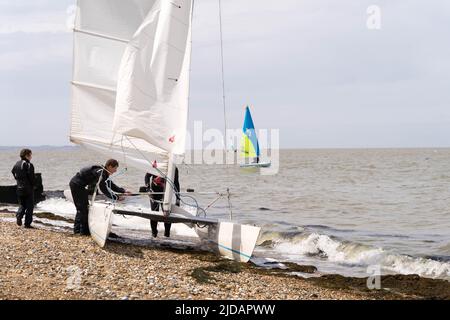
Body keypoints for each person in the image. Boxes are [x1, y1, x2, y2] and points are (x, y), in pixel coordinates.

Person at [69, 159, 129, 236]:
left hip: (82, 186)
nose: (116, 171)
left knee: (85, 208)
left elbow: (110, 184)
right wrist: (116, 197)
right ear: (110, 166)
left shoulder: (103, 172)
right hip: (76, 185)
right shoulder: (100, 172)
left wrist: (123, 191)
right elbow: (103, 188)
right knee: (82, 208)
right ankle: (78, 231)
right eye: (115, 168)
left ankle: (85, 230)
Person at [145, 167, 180, 238]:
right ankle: (154, 233)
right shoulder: (157, 165)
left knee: (167, 213)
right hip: (154, 193)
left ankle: (167, 234)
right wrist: (148, 189)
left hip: (166, 193)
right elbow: (147, 176)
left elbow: (176, 183)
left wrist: (178, 198)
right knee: (154, 213)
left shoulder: (173, 168)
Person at [11, 149, 35, 228]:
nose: (31, 156)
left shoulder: (17, 163)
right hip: (28, 189)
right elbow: (31, 177)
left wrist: (17, 179)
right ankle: (27, 224)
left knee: (22, 204)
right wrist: (34, 185)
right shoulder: (28, 164)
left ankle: (19, 215)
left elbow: (13, 171)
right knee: (30, 206)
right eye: (30, 155)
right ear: (26, 155)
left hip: (19, 188)